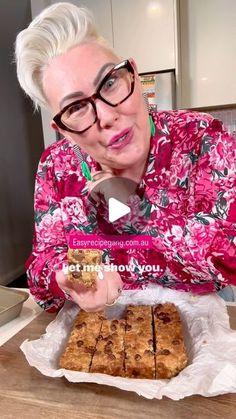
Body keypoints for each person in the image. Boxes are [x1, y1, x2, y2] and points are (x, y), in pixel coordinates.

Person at [15, 2, 236, 313]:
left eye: (109, 82)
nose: (106, 115)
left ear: (132, 72)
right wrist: (66, 275)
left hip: (200, 330)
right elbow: (42, 271)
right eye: (76, 107)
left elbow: (231, 253)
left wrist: (137, 211)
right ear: (63, 130)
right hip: (102, 331)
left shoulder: (200, 137)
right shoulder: (57, 167)